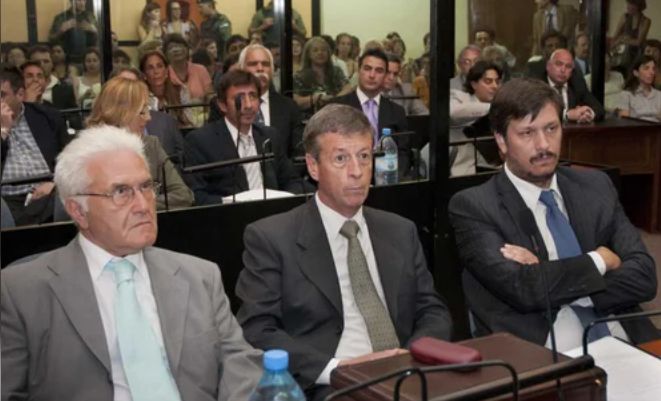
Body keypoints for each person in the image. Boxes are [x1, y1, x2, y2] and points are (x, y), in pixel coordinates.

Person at [0, 125, 263, 401]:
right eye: (121, 191)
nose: (143, 205)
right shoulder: (21, 293)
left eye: (146, 187)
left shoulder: (200, 276)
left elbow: (240, 365)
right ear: (78, 211)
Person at [235, 104, 452, 401]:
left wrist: (411, 357)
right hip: (333, 385)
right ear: (313, 166)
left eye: (364, 156)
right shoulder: (272, 238)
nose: (357, 172)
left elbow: (433, 311)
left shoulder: (400, 230)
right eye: (340, 159)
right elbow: (257, 329)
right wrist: (337, 369)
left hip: (407, 375)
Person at [448, 77, 658, 351]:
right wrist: (600, 260)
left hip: (624, 336)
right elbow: (524, 289)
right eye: (527, 133)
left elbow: (644, 277)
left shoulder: (595, 187)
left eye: (551, 128)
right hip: (545, 353)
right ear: (501, 141)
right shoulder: (475, 207)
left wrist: (549, 278)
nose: (544, 145)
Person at [185, 70, 304, 205]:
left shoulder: (270, 135)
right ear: (222, 105)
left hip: (274, 212)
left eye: (253, 96)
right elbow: (197, 196)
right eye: (239, 98)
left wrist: (285, 200)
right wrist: (232, 203)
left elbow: (292, 181)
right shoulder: (201, 141)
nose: (248, 105)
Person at [86, 76, 193, 210]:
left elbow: (184, 195)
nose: (148, 118)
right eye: (142, 112)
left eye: (148, 109)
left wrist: (136, 203)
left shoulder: (151, 145)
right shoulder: (88, 155)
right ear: (119, 114)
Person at [0, 67, 69, 226]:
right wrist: (3, 131)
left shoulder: (47, 117)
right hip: (7, 200)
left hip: (47, 193)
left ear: (20, 95)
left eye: (2, 95)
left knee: (67, 196)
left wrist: (55, 183)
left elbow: (70, 156)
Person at [331, 48, 411, 177]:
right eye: (367, 68)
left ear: (385, 75)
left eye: (379, 71)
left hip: (387, 178)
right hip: (347, 177)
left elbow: (403, 153)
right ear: (359, 70)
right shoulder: (337, 107)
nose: (372, 75)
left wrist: (394, 176)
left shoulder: (396, 111)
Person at [238, 44, 304, 158]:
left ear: (272, 71)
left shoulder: (289, 107)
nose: (260, 68)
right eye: (253, 64)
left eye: (265, 64)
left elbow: (299, 152)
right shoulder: (227, 105)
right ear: (241, 70)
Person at [530, 48, 605, 122]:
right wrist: (566, 115)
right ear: (548, 66)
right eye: (559, 64)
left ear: (572, 71)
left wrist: (587, 114)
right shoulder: (537, 84)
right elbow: (533, 112)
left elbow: (599, 109)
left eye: (568, 66)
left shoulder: (577, 83)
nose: (563, 70)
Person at [293, 36, 352, 112]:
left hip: (336, 113)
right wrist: (317, 98)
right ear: (308, 54)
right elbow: (296, 101)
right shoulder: (299, 76)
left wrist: (334, 99)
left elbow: (348, 88)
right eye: (315, 50)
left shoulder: (336, 71)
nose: (320, 53)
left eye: (323, 50)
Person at [140, 50, 192, 128]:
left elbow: (188, 123)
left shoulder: (181, 91)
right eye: (150, 68)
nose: (156, 71)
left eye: (159, 66)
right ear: (144, 74)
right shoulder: (140, 96)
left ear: (166, 71)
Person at [28, 45, 78, 112]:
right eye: (37, 62)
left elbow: (73, 115)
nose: (42, 65)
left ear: (52, 64)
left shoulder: (66, 90)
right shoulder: (21, 89)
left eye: (46, 61)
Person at [615, 55, 661, 122]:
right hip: (635, 127)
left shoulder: (659, 95)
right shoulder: (626, 95)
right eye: (646, 68)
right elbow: (624, 122)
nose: (652, 72)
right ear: (636, 73)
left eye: (653, 69)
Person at [611, 0, 651, 71]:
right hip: (624, 52)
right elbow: (615, 37)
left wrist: (622, 39)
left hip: (638, 53)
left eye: (631, 4)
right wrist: (618, 42)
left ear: (638, 6)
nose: (627, 7)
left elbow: (638, 42)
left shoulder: (645, 21)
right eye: (628, 3)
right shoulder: (624, 17)